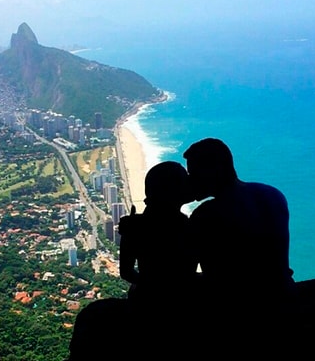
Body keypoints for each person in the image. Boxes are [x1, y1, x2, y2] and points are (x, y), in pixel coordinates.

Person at [183, 138, 295, 352]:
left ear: (215, 169)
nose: (192, 180)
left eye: (195, 173)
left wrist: (175, 201)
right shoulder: (272, 194)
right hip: (284, 298)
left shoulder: (206, 215)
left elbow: (184, 272)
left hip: (235, 314)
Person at [118, 160, 198, 308]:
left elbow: (126, 272)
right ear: (172, 190)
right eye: (184, 180)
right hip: (181, 302)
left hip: (145, 299)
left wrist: (150, 285)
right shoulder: (189, 226)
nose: (190, 183)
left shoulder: (134, 225)